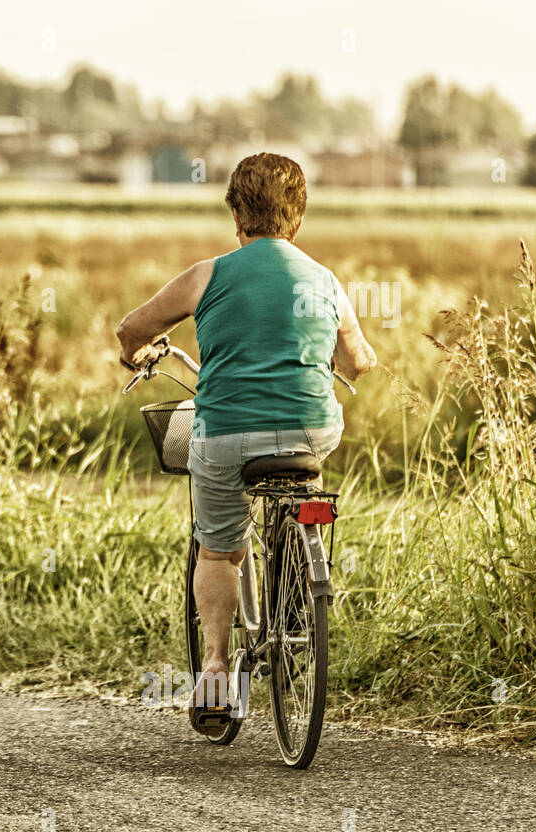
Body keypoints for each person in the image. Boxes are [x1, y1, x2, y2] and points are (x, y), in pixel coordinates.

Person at [115, 152, 377, 721]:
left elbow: (132, 328)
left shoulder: (207, 275)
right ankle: (299, 573)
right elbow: (358, 361)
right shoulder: (325, 281)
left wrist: (136, 354)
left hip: (226, 430)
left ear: (237, 215)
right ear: (298, 218)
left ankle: (213, 668)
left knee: (219, 547)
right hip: (311, 428)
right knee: (305, 469)